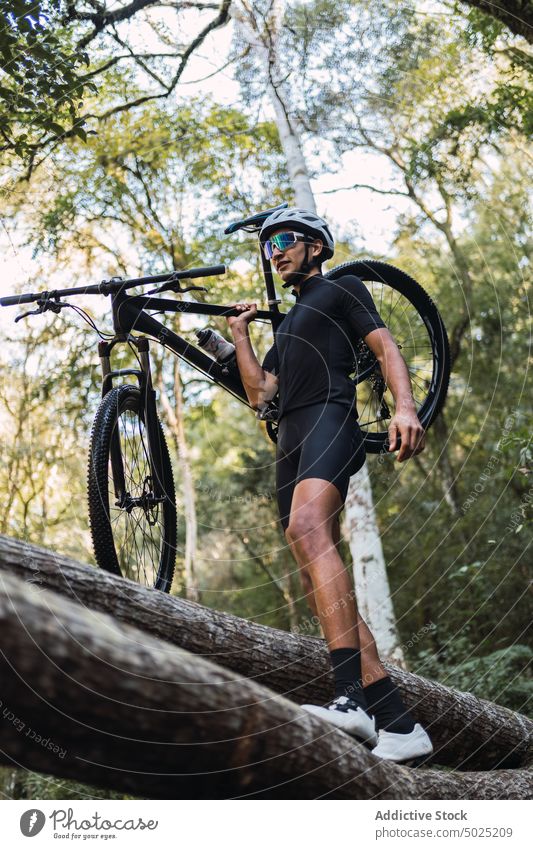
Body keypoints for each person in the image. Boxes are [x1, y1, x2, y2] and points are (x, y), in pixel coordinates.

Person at [226, 207, 433, 763]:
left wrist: (406, 408)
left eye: (287, 239)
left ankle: (349, 699)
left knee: (307, 526)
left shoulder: (341, 290)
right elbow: (260, 393)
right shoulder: (289, 323)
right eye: (269, 244)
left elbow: (387, 348)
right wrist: (241, 334)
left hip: (331, 416)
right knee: (311, 553)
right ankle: (398, 722)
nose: (276, 250)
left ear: (316, 246)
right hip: (290, 434)